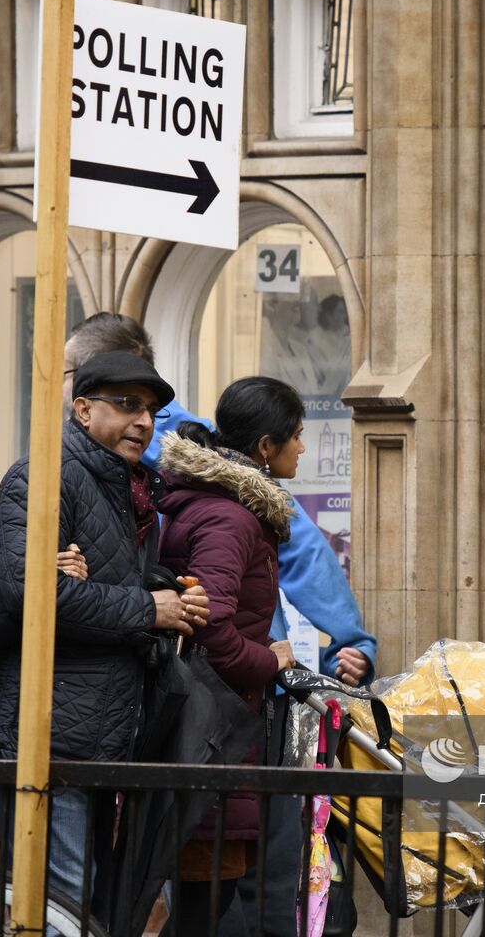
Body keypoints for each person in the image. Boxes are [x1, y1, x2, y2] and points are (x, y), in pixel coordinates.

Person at [0, 352, 211, 912]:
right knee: (61, 907)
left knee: (85, 908)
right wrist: (148, 609)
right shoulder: (44, 475)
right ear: (81, 409)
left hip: (100, 736)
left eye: (150, 409)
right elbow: (30, 594)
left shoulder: (130, 488)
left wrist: (172, 598)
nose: (143, 421)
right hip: (44, 735)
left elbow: (106, 588)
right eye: (126, 404)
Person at [62, 312, 376, 688]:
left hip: (225, 686)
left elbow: (297, 541)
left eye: (64, 372)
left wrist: (350, 640)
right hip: (150, 678)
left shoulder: (199, 456)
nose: (142, 422)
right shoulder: (75, 465)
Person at [155, 376, 303, 936]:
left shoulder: (229, 510)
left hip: (214, 727)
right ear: (266, 447)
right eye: (296, 435)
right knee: (204, 904)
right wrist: (271, 662)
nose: (303, 448)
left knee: (207, 903)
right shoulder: (229, 516)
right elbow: (213, 627)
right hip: (211, 728)